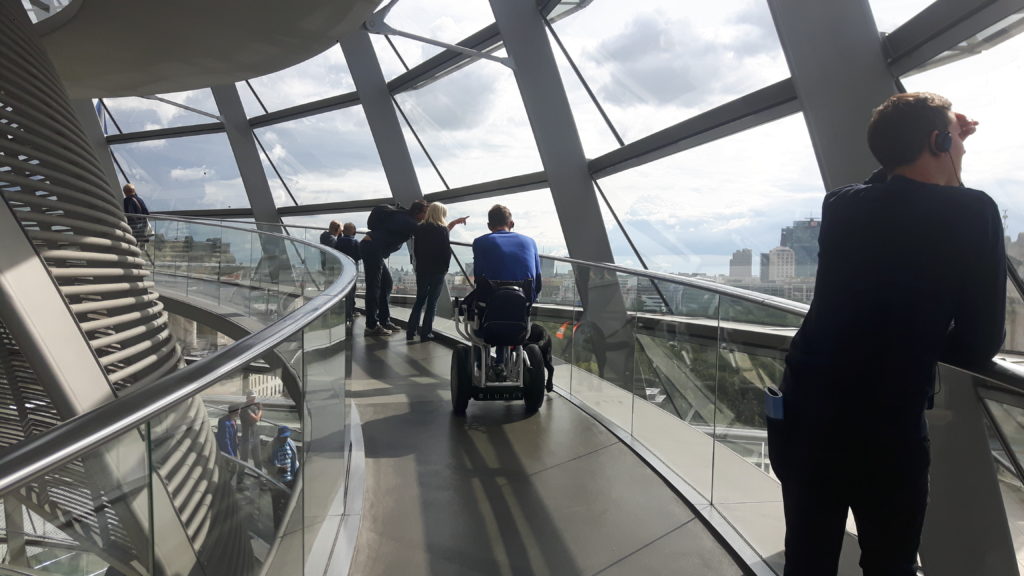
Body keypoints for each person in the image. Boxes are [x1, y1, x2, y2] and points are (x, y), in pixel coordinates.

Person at [769, 92, 1006, 576]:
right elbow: (981, 343)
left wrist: (923, 140)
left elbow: (887, 186)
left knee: (808, 558)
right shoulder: (974, 211)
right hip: (885, 424)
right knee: (889, 562)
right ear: (938, 140)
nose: (960, 149)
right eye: (952, 140)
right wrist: (915, 342)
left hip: (805, 409)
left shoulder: (840, 205)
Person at [471, 204, 542, 377]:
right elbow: (537, 281)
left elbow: (479, 276)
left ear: (489, 226)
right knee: (508, 307)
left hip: (492, 306)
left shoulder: (480, 242)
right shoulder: (530, 242)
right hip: (519, 307)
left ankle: (481, 362)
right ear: (512, 223)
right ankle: (500, 362)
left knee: (489, 308)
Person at [361, 200, 429, 337]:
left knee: (386, 284)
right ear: (417, 213)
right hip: (372, 248)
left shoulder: (403, 217)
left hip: (372, 247)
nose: (425, 217)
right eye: (425, 213)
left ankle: (383, 320)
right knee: (374, 287)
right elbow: (426, 233)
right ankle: (371, 326)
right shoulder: (407, 221)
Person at [407, 203, 468, 342]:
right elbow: (446, 252)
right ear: (440, 214)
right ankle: (426, 333)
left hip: (422, 270)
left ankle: (411, 331)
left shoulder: (420, 228)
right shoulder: (442, 230)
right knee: (432, 302)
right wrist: (445, 268)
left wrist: (454, 222)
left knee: (420, 300)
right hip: (437, 271)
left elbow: (415, 251)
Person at [270, 426, 300, 527]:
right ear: (278, 436)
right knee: (277, 507)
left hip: (290, 480)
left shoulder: (290, 443)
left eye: (286, 437)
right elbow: (264, 461)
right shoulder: (272, 445)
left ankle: (286, 526)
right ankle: (277, 527)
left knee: (288, 505)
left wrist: (296, 472)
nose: (285, 439)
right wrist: (277, 468)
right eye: (283, 437)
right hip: (277, 482)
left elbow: (294, 460)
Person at [335, 222, 362, 322]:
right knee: (351, 293)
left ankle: (340, 313)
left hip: (341, 271)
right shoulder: (355, 242)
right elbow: (359, 256)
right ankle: (349, 315)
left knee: (342, 292)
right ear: (353, 231)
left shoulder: (339, 241)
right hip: (352, 271)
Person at [215, 405, 240, 483]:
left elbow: (234, 435)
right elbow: (225, 441)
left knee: (235, 467)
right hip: (227, 451)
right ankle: (224, 484)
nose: (239, 414)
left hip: (234, 448)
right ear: (234, 412)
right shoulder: (224, 422)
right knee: (228, 468)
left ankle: (227, 483)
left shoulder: (234, 420)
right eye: (238, 412)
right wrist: (231, 455)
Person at [239, 391, 263, 471]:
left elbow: (260, 417)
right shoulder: (244, 408)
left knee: (258, 459)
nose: (253, 400)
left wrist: (258, 410)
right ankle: (240, 478)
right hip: (247, 438)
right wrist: (260, 409)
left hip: (254, 436)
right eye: (252, 398)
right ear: (247, 398)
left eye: (254, 398)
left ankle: (261, 477)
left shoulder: (253, 407)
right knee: (244, 459)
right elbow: (256, 419)